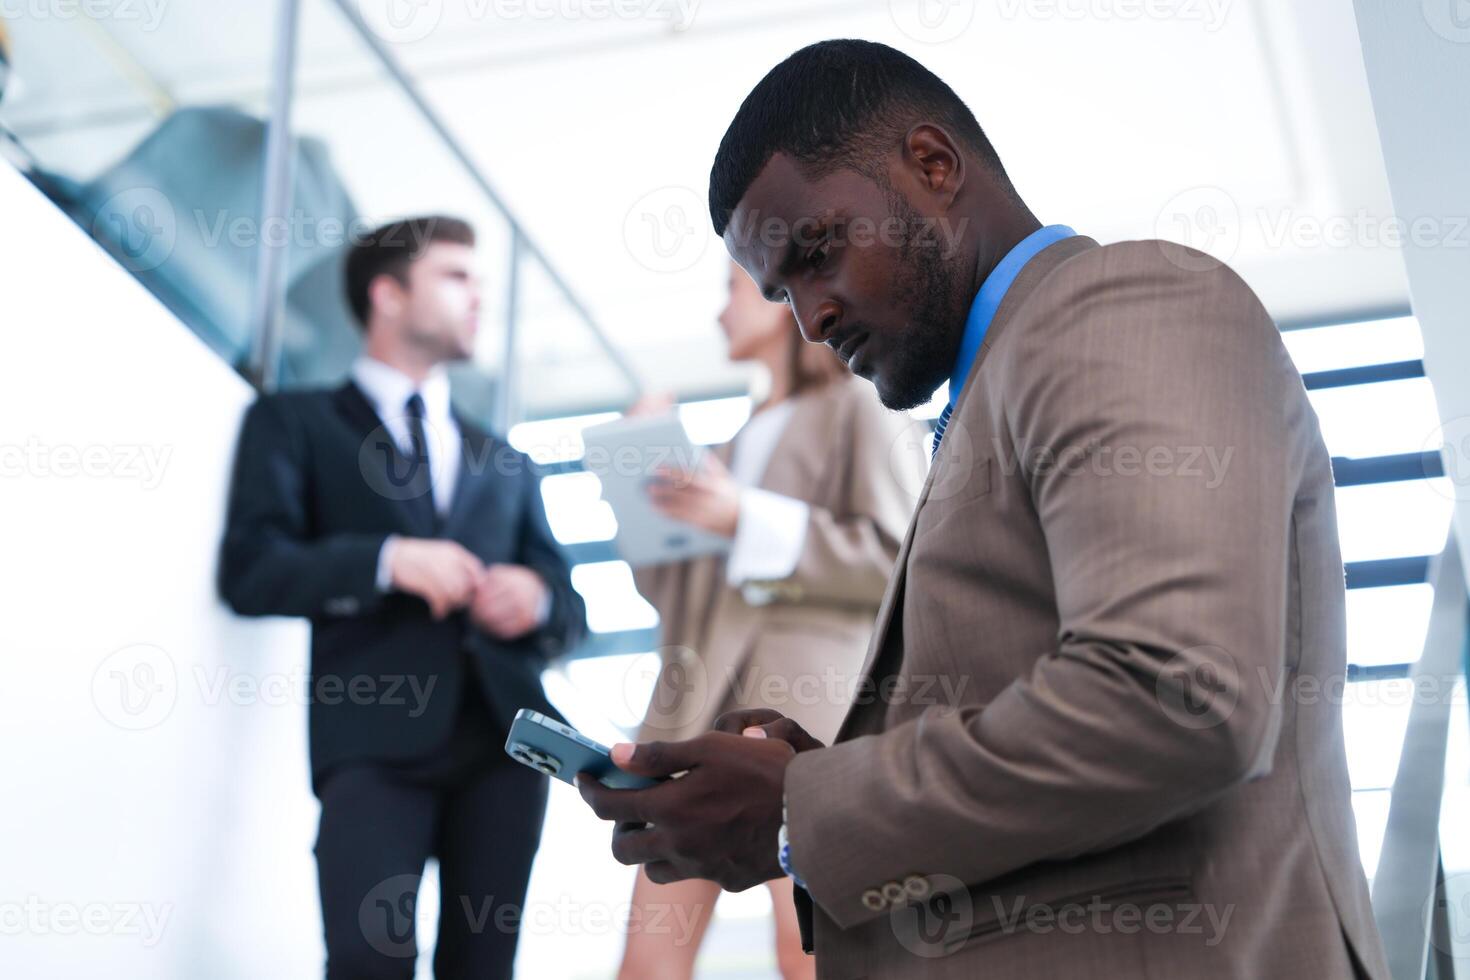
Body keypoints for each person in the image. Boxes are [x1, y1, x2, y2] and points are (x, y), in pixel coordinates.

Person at [577, 40, 1389, 979]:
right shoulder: (989, 392)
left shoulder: (1126, 303)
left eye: (817, 254)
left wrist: (806, 808)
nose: (811, 320)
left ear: (933, 166)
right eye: (781, 293)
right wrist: (824, 764)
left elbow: (1177, 696)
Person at [219, 215, 587, 979]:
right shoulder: (295, 422)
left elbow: (571, 611)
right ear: (387, 294)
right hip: (372, 740)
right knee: (366, 962)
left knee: (483, 968)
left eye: (480, 283)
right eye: (456, 278)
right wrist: (387, 560)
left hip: (505, 744)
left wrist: (539, 600)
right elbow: (250, 569)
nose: (478, 299)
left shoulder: (506, 460)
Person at [615, 260, 926, 979]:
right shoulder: (728, 446)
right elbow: (675, 600)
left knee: (808, 954)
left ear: (780, 296)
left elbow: (896, 559)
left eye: (731, 289)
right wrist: (637, 483)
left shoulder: (859, 407)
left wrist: (745, 517)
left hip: (804, 723)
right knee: (647, 960)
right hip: (699, 719)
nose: (720, 311)